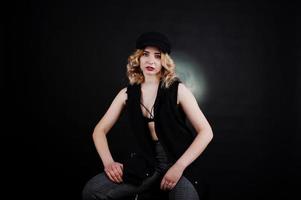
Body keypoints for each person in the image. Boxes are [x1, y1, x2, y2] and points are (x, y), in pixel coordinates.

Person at [82, 31, 213, 200]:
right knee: (92, 190)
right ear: (138, 58)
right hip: (147, 163)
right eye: (146, 54)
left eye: (157, 56)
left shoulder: (178, 90)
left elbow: (206, 131)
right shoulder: (127, 94)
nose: (151, 61)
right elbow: (99, 130)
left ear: (164, 61)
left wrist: (179, 166)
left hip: (180, 161)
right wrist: (109, 162)